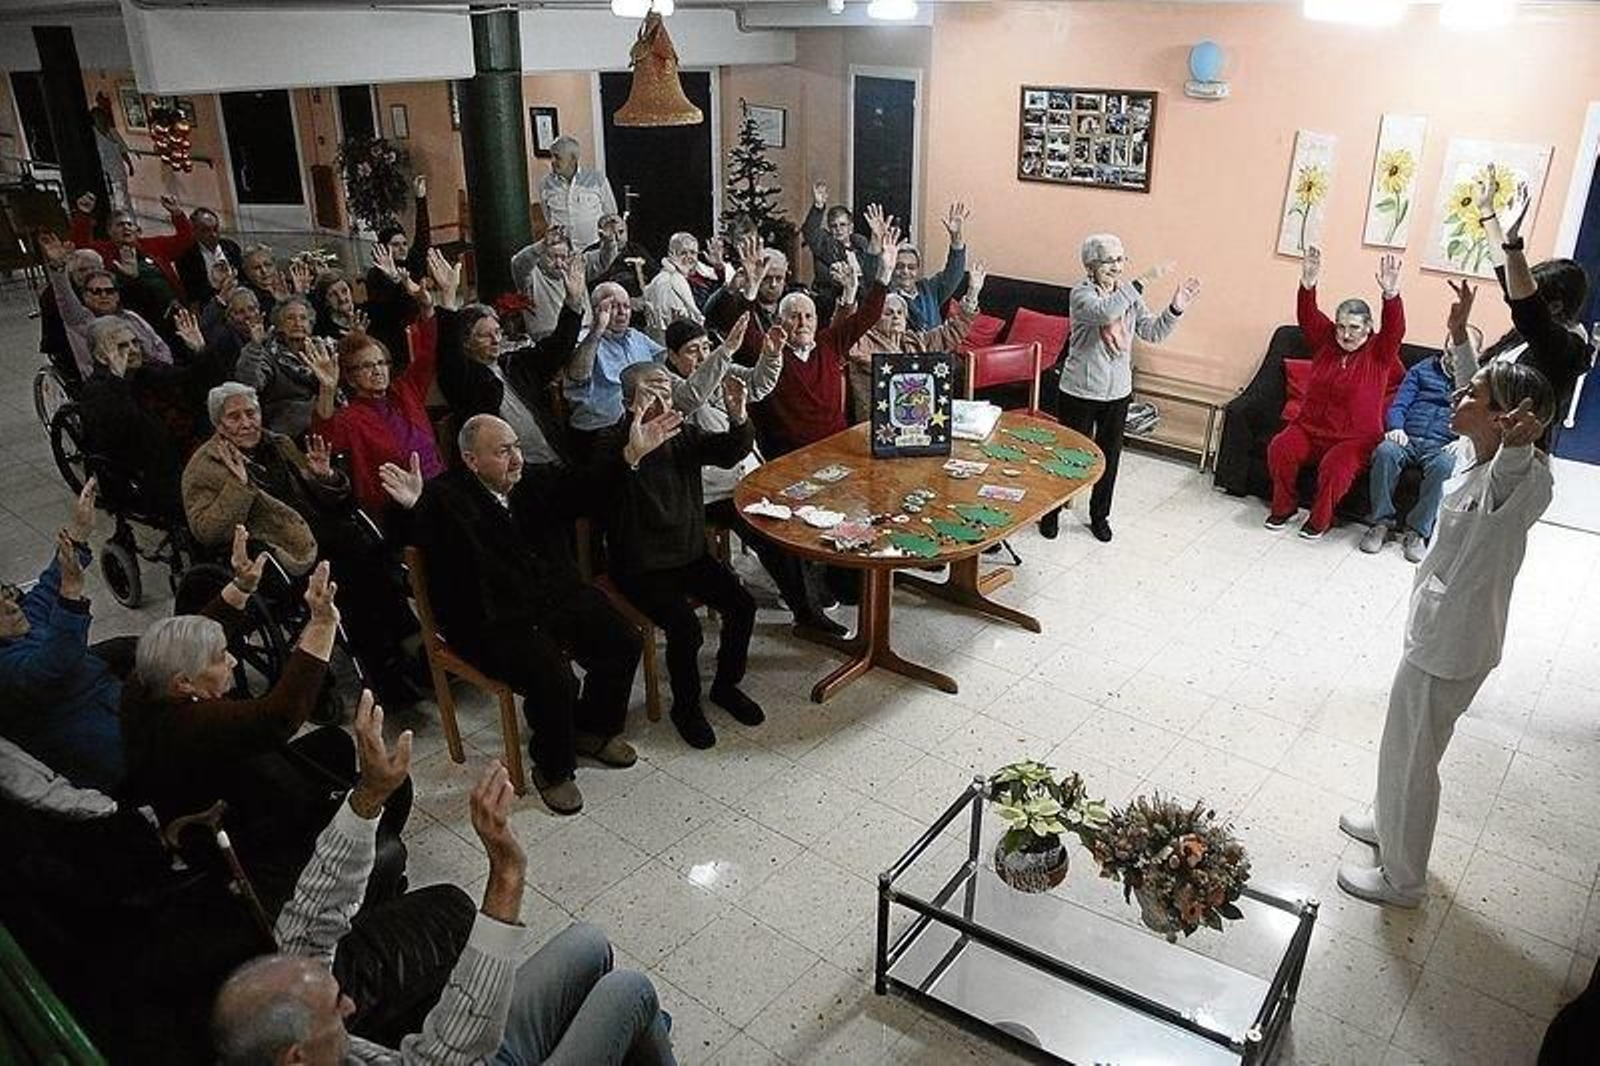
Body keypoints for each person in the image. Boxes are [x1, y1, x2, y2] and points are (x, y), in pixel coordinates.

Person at [211, 732, 675, 1065]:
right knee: (629, 992)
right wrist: (506, 875)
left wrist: (368, 796)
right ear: (295, 1058)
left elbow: (309, 921)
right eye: (336, 1007)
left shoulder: (305, 1051)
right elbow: (450, 1049)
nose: (351, 1008)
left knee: (588, 942)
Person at [1337, 358, 1556, 908]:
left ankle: (1402, 879)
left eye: (1471, 396)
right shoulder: (1471, 454)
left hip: (1454, 642)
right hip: (1435, 630)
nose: (1457, 397)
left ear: (1506, 421)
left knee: (1416, 759)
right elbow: (1479, 398)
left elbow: (1510, 466)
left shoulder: (1520, 478)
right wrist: (1461, 338)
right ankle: (1387, 823)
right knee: (1401, 737)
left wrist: (1516, 447)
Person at [380, 411, 676, 814]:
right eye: (504, 451)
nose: (517, 458)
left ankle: (591, 729)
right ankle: (553, 768)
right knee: (555, 678)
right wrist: (416, 508)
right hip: (491, 617)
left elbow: (585, 488)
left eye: (517, 446)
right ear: (471, 460)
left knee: (622, 640)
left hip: (553, 595)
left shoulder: (534, 480)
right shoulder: (445, 498)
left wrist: (630, 455)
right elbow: (416, 539)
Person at [183, 383, 423, 704]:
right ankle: (385, 673)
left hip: (323, 532)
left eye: (251, 413)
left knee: (378, 562)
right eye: (234, 417)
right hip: (281, 553)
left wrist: (325, 477)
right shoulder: (203, 467)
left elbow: (330, 500)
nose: (245, 423)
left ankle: (413, 648)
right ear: (218, 424)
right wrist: (240, 487)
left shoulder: (280, 444)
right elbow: (206, 531)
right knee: (348, 584)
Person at [601, 362, 761, 749]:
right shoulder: (609, 442)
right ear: (628, 402)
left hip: (689, 555)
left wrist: (739, 419)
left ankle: (726, 685)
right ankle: (686, 708)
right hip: (641, 566)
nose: (663, 395)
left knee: (743, 605)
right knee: (685, 628)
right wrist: (632, 455)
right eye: (651, 390)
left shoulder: (682, 433)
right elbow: (598, 489)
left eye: (667, 388)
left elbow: (727, 453)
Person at [1035, 235, 1201, 543]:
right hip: (1080, 391)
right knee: (1068, 458)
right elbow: (1104, 313)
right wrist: (1143, 280)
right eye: (1109, 260)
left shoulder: (1130, 298)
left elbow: (1152, 332)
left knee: (1109, 459)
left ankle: (1100, 516)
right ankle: (1051, 512)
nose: (1117, 266)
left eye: (1121, 259)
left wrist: (1175, 308)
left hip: (1118, 393)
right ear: (1091, 265)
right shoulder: (1082, 295)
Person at [1265, 247, 1404, 539]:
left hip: (1355, 438)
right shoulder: (1325, 341)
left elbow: (1396, 328)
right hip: (1310, 429)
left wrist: (1391, 296)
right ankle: (1284, 507)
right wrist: (1308, 283)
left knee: (1335, 468)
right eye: (1341, 326)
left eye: (1354, 328)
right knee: (1280, 447)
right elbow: (1307, 316)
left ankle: (1319, 521)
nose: (1346, 334)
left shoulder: (1380, 351)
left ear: (1368, 329)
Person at [0, 482, 125, 792]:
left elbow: (48, 585)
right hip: (83, 729)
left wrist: (80, 533)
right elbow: (54, 663)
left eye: (5, 595)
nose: (11, 605)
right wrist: (71, 594)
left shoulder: (22, 618)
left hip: (99, 690)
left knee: (139, 646)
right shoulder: (7, 669)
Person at [751, 226, 899, 459]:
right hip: (790, 457)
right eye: (794, 316)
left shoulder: (828, 342)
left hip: (837, 448)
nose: (802, 322)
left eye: (808, 316)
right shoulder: (768, 353)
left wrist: (884, 273)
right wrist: (750, 287)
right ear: (779, 322)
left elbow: (868, 315)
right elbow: (739, 321)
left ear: (817, 320)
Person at [1474, 165, 1592, 449]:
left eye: (1533, 296)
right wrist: (1488, 213)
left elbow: (1527, 309)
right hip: (1484, 441)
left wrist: (1514, 245)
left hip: (1515, 453)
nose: (1518, 295)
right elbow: (1508, 276)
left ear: (1553, 306)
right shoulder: (1535, 328)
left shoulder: (1566, 346)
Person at [437, 250, 586, 465]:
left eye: (497, 332)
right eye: (485, 336)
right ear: (466, 342)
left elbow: (557, 348)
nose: (496, 340)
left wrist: (573, 302)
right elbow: (448, 356)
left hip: (554, 460)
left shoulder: (513, 364)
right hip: (514, 475)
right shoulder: (466, 381)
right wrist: (448, 300)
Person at [310, 307, 444, 519]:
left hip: (438, 487)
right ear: (351, 378)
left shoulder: (405, 390)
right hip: (395, 507)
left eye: (382, 363)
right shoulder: (350, 418)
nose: (377, 370)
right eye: (366, 366)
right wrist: (327, 388)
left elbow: (427, 354)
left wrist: (428, 309)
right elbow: (324, 438)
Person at [1361, 316, 1468, 563]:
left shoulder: (1476, 380)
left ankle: (1417, 532)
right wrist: (1396, 427)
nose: (1453, 360)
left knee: (1446, 466)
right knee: (1386, 451)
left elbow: (1481, 419)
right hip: (1408, 437)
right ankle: (1380, 523)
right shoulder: (1421, 370)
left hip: (1442, 444)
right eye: (1450, 352)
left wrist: (1464, 439)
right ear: (1444, 348)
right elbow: (1398, 405)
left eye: (1460, 354)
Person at [847, 261, 986, 423]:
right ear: (875, 320)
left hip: (916, 422)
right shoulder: (863, 342)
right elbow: (843, 335)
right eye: (888, 313)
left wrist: (972, 293)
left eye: (900, 313)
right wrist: (849, 296)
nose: (896, 316)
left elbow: (951, 333)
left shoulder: (913, 341)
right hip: (876, 426)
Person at [40, 230, 173, 380]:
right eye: (96, 292)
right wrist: (58, 267)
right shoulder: (80, 319)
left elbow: (158, 345)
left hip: (149, 374)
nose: (104, 296)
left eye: (109, 291)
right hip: (108, 382)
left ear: (117, 295)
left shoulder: (130, 316)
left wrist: (166, 369)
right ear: (85, 295)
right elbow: (63, 296)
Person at [69, 191, 194, 334]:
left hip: (175, 314)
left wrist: (176, 213)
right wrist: (83, 215)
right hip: (134, 322)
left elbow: (186, 239)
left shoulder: (153, 245)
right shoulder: (104, 251)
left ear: (137, 230)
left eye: (129, 224)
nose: (126, 227)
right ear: (110, 231)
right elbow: (79, 247)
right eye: (120, 225)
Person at [564, 281, 665, 456]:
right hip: (599, 429)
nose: (622, 312)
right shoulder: (583, 339)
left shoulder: (637, 337)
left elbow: (662, 364)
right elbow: (578, 375)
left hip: (638, 422)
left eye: (626, 306)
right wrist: (597, 330)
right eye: (613, 307)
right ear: (596, 310)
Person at [234, 295, 332, 439]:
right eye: (290, 318)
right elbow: (249, 383)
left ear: (310, 325)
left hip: (327, 418)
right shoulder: (268, 354)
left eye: (303, 318)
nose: (298, 323)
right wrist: (255, 346)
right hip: (290, 430)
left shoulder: (325, 349)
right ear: (279, 326)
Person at [510, 219, 624, 342]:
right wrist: (542, 244)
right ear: (541, 255)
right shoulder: (530, 275)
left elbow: (603, 260)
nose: (559, 263)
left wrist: (609, 241)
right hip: (549, 341)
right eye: (552, 257)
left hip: (585, 335)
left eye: (563, 257)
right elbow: (518, 263)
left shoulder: (576, 265)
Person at [801, 183, 883, 318]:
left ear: (850, 227)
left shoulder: (861, 244)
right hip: (832, 302)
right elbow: (810, 232)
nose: (838, 229)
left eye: (842, 225)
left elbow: (871, 270)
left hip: (861, 301)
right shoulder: (824, 244)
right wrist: (818, 207)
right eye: (834, 226)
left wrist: (876, 237)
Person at [889, 202, 971, 331]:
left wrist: (956, 239)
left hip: (936, 348)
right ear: (892, 267)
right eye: (900, 266)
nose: (905, 271)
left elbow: (953, 274)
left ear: (918, 269)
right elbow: (871, 276)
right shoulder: (887, 294)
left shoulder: (929, 288)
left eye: (911, 267)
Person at [538, 135, 620, 250]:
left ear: (573, 159)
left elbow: (611, 213)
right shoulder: (545, 184)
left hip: (594, 251)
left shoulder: (597, 179)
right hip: (562, 254)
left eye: (557, 157)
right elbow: (548, 216)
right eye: (551, 156)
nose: (552, 161)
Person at [174, 207, 243, 307]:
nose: (213, 235)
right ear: (194, 232)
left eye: (215, 229)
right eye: (206, 230)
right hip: (211, 306)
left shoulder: (231, 247)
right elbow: (194, 296)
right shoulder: (186, 259)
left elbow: (243, 277)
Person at [642, 231, 709, 328]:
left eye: (693, 253)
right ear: (671, 254)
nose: (689, 257)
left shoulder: (678, 277)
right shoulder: (669, 280)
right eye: (683, 253)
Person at [90, 104, 134, 213]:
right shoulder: (93, 135)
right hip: (106, 174)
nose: (102, 120)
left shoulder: (113, 132)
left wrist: (129, 165)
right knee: (114, 202)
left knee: (124, 200)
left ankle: (130, 223)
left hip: (118, 172)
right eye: (98, 118)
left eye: (103, 117)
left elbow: (122, 150)